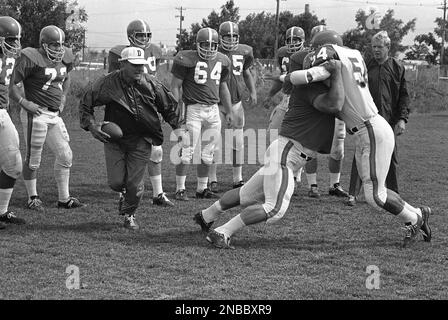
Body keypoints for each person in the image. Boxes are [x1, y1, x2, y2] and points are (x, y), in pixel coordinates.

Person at [285, 30, 431, 247]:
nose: (314, 53)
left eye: (316, 49)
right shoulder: (353, 55)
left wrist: (284, 78)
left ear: (326, 47)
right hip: (370, 128)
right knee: (376, 189)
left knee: (374, 196)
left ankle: (415, 219)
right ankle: (419, 213)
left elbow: (308, 76)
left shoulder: (332, 57)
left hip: (370, 129)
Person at [194, 56, 346, 249]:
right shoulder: (312, 88)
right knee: (275, 209)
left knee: (245, 195)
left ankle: (206, 216)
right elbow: (335, 105)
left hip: (284, 151)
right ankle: (223, 231)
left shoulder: (309, 85)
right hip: (287, 155)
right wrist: (338, 72)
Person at [79, 47, 184, 230]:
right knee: (116, 183)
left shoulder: (151, 84)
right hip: (115, 139)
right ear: (122, 64)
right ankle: (127, 196)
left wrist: (179, 129)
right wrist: (91, 125)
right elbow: (86, 102)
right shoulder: (107, 83)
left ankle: (129, 215)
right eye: (134, 65)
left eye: (141, 65)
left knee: (134, 185)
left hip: (141, 139)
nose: (139, 69)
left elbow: (169, 107)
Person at [9, 25, 85, 211]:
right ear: (43, 45)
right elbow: (11, 83)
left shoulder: (65, 56)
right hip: (36, 114)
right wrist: (24, 102)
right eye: (54, 45)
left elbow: (66, 78)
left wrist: (65, 96)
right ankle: (32, 197)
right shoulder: (30, 57)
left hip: (54, 115)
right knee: (34, 159)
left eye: (61, 45)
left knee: (66, 155)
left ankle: (64, 198)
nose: (59, 49)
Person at [108, 19, 174, 207]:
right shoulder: (118, 53)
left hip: (148, 105)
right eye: (140, 35)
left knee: (156, 150)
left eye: (146, 35)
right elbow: (113, 81)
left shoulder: (154, 51)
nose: (144, 38)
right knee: (128, 149)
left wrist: (158, 106)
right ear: (130, 36)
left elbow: (154, 80)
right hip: (126, 107)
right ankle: (124, 192)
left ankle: (158, 193)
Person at [346, 30, 410, 206]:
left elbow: (404, 96)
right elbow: (356, 92)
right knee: (360, 154)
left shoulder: (397, 67)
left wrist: (402, 119)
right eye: (373, 46)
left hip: (389, 121)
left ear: (388, 47)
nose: (376, 50)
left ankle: (393, 195)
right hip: (367, 119)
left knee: (391, 156)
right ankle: (353, 194)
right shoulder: (366, 66)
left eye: (379, 47)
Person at [170, 27, 233, 201]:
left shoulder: (223, 60)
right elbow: (175, 86)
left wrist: (228, 110)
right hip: (193, 109)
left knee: (208, 152)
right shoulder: (186, 58)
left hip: (213, 110)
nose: (209, 48)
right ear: (197, 44)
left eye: (213, 45)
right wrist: (175, 109)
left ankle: (201, 188)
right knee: (186, 150)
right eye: (205, 44)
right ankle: (180, 189)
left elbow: (223, 87)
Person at [208, 21, 257, 192]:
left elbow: (247, 72)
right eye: (227, 36)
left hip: (236, 103)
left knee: (237, 142)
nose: (230, 39)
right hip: (215, 103)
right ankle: (212, 179)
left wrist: (253, 92)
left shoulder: (245, 51)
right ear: (220, 37)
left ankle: (238, 178)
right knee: (213, 142)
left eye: (234, 36)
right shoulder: (212, 50)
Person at [300, 25, 348, 199]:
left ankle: (334, 184)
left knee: (338, 150)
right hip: (317, 108)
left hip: (336, 110)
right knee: (310, 149)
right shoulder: (302, 58)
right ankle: (312, 185)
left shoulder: (344, 62)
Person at [262, 26, 306, 191]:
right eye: (290, 40)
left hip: (303, 101)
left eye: (296, 40)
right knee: (272, 133)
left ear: (303, 41)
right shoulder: (282, 54)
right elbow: (281, 79)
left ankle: (295, 174)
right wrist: (269, 95)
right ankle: (278, 170)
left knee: (300, 138)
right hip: (287, 99)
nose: (293, 43)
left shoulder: (308, 54)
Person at [0, 16, 26, 228]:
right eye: (11, 39)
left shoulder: (9, 57)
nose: (16, 45)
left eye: (17, 40)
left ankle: (2, 211)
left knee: (14, 164)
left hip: (2, 112)